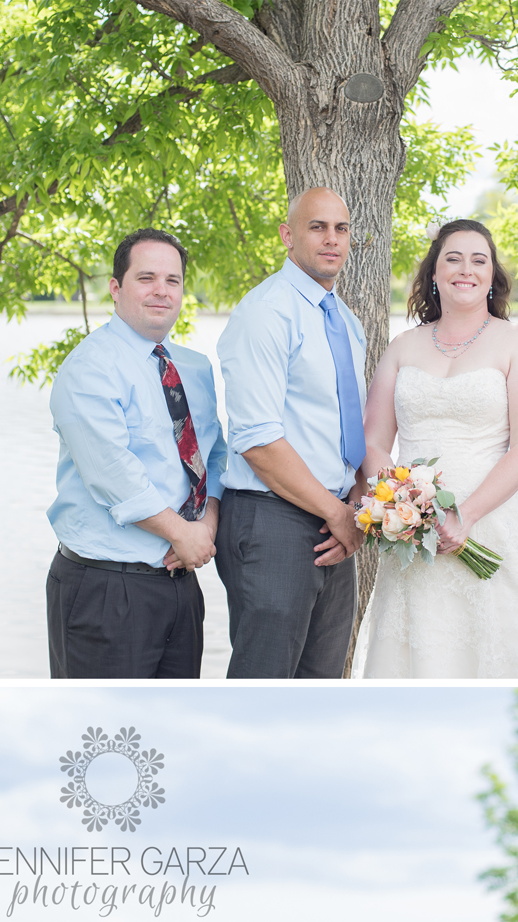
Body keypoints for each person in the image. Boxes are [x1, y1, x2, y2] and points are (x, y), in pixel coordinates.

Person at [357, 218, 518, 677]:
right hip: (413, 531)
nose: (466, 269)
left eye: (478, 260)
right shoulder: (402, 347)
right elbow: (373, 440)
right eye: (453, 258)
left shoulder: (517, 343)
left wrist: (463, 515)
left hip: (489, 523)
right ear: (433, 273)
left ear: (491, 277)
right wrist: (402, 507)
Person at [46, 230, 225, 677]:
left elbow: (215, 456)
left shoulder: (195, 367)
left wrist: (206, 526)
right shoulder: (90, 366)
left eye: (173, 280)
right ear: (115, 287)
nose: (161, 290)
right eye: (146, 278)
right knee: (103, 736)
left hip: (181, 583)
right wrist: (180, 534)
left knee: (169, 736)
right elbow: (111, 471)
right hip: (107, 587)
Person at [215, 187, 369, 678]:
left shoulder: (345, 320)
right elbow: (258, 440)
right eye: (316, 227)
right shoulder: (266, 313)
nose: (331, 240)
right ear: (288, 236)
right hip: (273, 520)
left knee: (318, 687)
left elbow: (347, 422)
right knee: (263, 686)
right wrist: (336, 514)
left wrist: (355, 507)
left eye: (341, 229)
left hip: (334, 522)